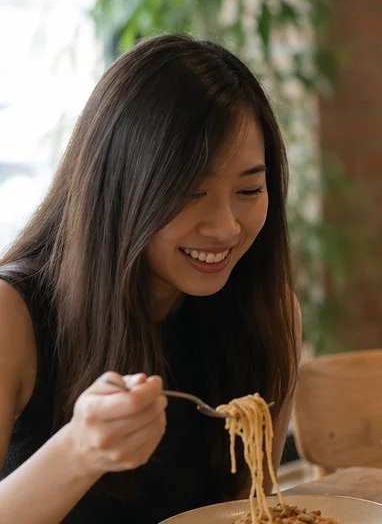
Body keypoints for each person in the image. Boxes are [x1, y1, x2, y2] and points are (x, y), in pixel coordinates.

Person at [0, 34, 301, 523]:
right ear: (120, 187)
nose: (226, 226)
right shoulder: (12, 314)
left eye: (249, 189)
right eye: (190, 192)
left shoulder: (268, 312)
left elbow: (253, 510)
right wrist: (78, 452)